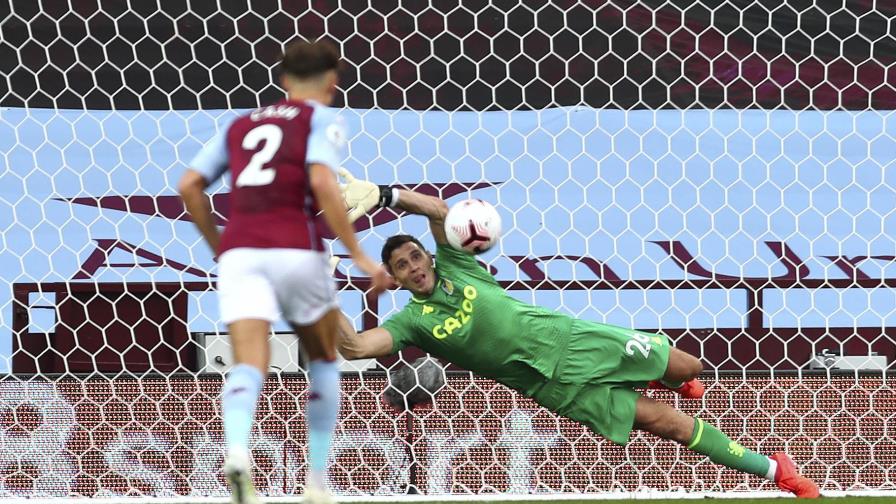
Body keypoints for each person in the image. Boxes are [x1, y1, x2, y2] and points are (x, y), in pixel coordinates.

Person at [334, 174, 820, 499]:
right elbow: (354, 347)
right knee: (670, 426)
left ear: (429, 257)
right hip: (554, 386)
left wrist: (384, 195)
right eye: (402, 266)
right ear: (394, 278)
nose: (414, 267)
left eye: (417, 257)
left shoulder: (459, 263)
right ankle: (776, 473)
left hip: (574, 340)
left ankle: (660, 377)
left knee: (690, 369)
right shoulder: (411, 322)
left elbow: (438, 209)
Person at [178, 40, 390, 504]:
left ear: (282, 81)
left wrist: (219, 246)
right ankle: (316, 480)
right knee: (323, 358)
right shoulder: (322, 120)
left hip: (240, 254)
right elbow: (320, 181)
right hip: (297, 249)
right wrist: (359, 255)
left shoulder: (239, 125)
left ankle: (237, 451)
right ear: (332, 83)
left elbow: (189, 185)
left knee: (248, 360)